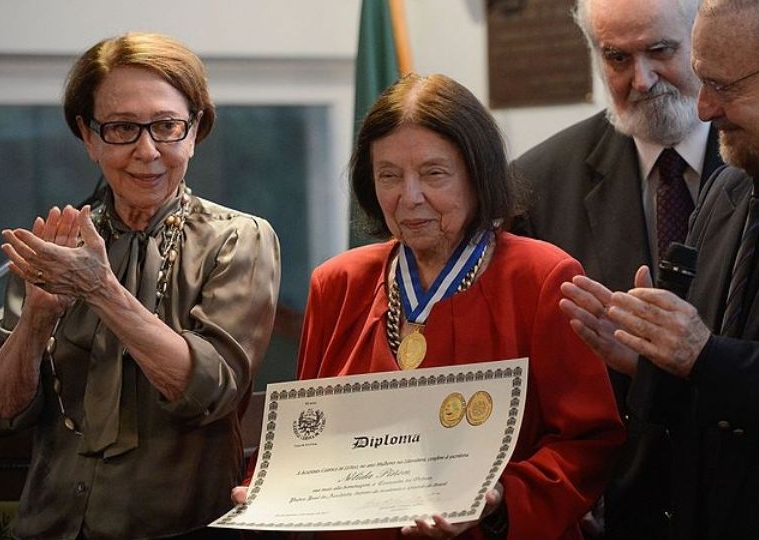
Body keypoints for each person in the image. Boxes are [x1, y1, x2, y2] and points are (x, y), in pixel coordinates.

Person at [233, 73, 624, 539]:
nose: (410, 197)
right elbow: (313, 433)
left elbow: (587, 443)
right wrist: (273, 487)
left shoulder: (541, 276)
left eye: (434, 173)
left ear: (478, 176)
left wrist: (498, 501)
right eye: (389, 176)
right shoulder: (338, 284)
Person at [561, 0, 759, 538]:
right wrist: (649, 361)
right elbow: (705, 393)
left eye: (724, 86)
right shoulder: (729, 186)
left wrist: (703, 356)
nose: (706, 108)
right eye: (701, 79)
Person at [0, 32, 281, 539]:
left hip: (181, 527)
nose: (146, 150)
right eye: (121, 128)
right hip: (47, 526)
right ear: (88, 137)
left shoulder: (237, 239)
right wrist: (38, 317)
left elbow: (209, 392)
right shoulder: (60, 244)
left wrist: (101, 290)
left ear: (195, 131)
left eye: (166, 126)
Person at [511, 0, 721, 537]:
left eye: (659, 51)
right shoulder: (535, 187)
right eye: (617, 58)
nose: (642, 80)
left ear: (702, 39)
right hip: (612, 506)